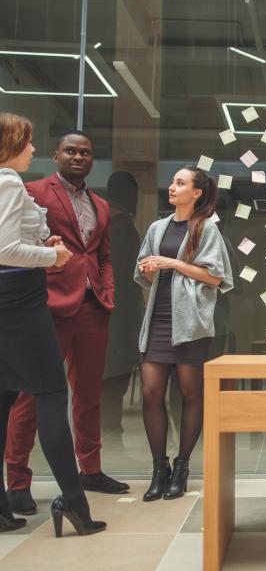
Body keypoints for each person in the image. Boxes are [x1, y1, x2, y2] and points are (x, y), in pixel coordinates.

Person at [6, 130, 127, 517]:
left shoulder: (102, 206)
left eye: (86, 152)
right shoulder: (32, 190)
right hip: (46, 303)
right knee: (32, 395)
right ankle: (18, 481)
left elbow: (103, 255)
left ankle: (90, 470)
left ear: (93, 159)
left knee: (89, 393)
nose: (78, 156)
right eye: (71, 151)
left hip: (93, 307)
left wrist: (106, 290)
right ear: (57, 154)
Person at [135, 166, 233, 502]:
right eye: (173, 182)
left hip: (190, 323)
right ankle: (158, 468)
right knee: (151, 392)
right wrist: (150, 270)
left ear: (197, 193)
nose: (172, 187)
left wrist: (172, 263)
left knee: (191, 395)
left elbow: (216, 278)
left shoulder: (206, 229)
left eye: (180, 183)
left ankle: (181, 466)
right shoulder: (157, 227)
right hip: (159, 318)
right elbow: (145, 275)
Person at [102, 172, 144, 437]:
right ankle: (109, 434)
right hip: (119, 316)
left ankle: (108, 434)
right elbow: (125, 277)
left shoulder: (107, 221)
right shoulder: (120, 226)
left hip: (114, 313)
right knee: (113, 379)